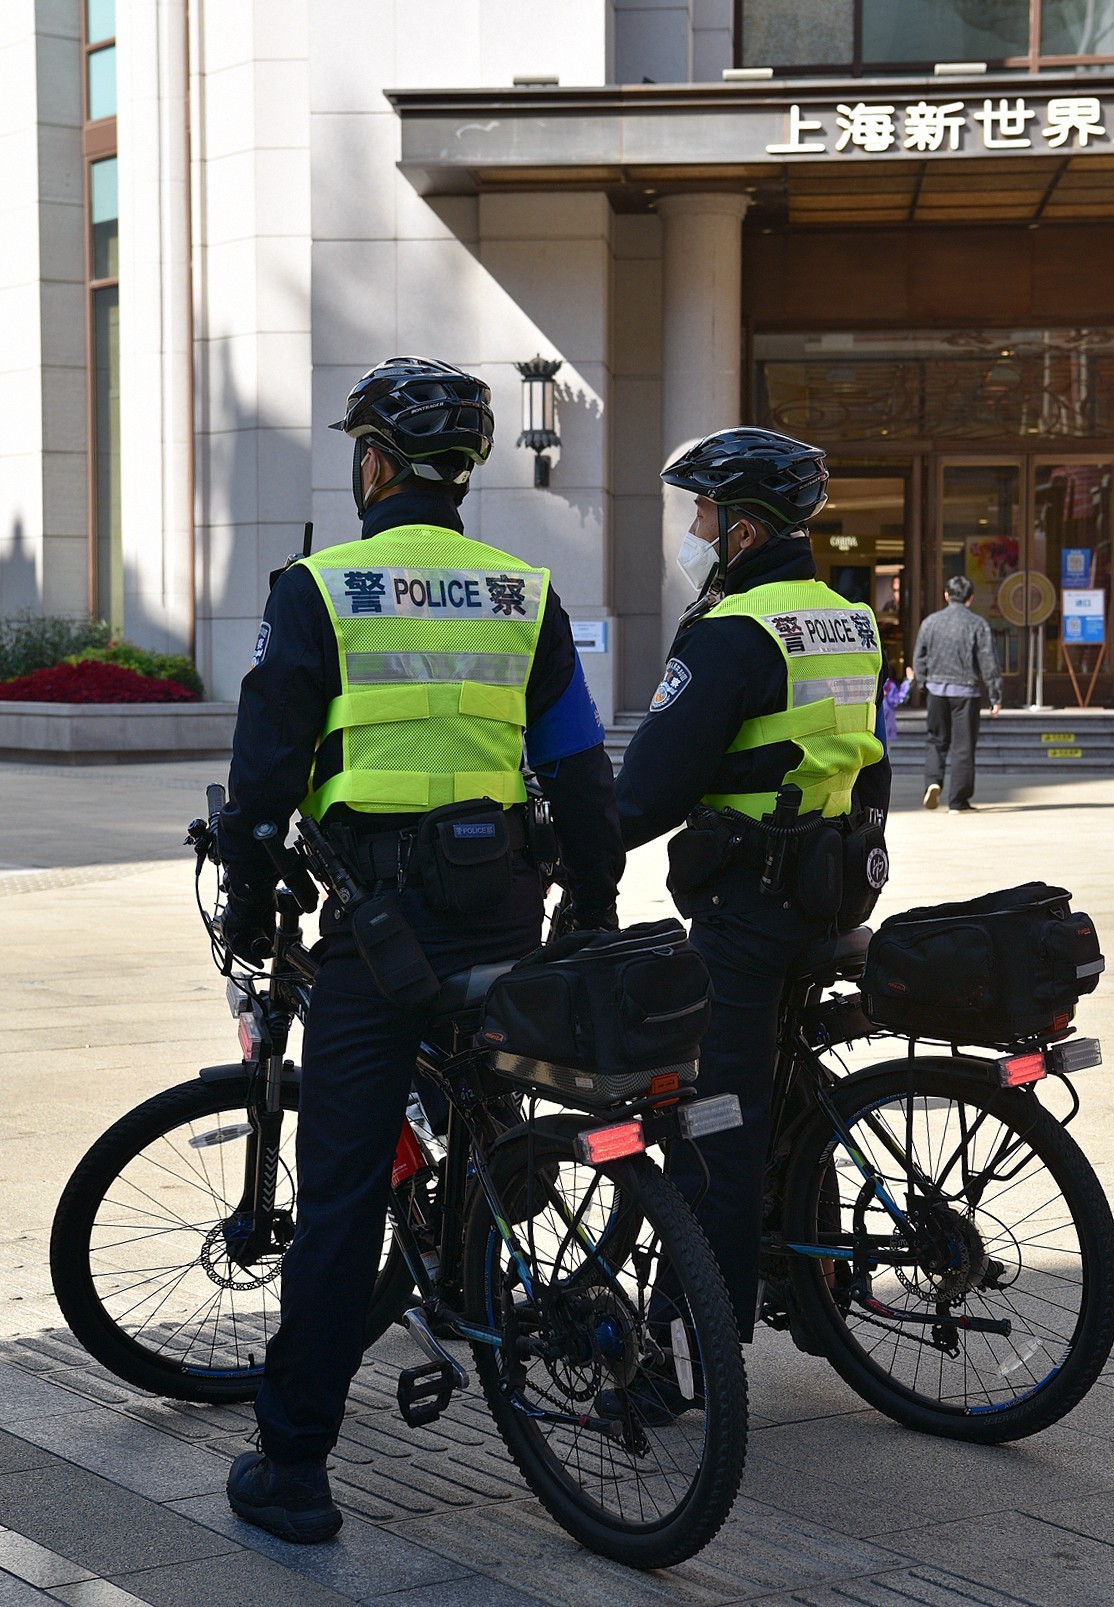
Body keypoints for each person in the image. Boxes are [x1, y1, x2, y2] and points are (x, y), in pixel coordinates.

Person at [216, 356, 624, 1543]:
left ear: (375, 462)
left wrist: (251, 901)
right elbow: (580, 773)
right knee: (497, 1112)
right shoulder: (521, 591)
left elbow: (262, 783)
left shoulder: (319, 588)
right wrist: (588, 906)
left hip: (376, 929)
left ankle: (295, 1468)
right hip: (501, 907)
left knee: (340, 1190)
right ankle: (492, 1272)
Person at [615, 427, 891, 1352]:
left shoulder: (732, 632)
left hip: (747, 907)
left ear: (741, 529)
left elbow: (652, 787)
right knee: (787, 1092)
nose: (691, 528)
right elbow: (872, 764)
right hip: (833, 890)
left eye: (700, 511)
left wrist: (571, 842)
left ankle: (694, 1338)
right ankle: (813, 1286)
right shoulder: (848, 617)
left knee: (713, 1126)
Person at [912, 574, 1002, 813]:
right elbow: (988, 660)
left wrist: (923, 684)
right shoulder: (977, 624)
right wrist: (995, 695)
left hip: (936, 690)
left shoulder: (930, 622)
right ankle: (958, 802)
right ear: (970, 598)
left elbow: (919, 657)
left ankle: (932, 782)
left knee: (935, 740)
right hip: (966, 692)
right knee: (963, 747)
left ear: (946, 596)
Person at [882, 663, 914, 743]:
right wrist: (908, 682)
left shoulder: (888, 684)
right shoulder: (888, 684)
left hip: (882, 724)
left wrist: (908, 682)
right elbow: (898, 698)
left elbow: (897, 698)